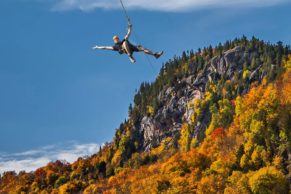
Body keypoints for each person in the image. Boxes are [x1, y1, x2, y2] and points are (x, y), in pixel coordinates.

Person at [92, 21, 163, 63]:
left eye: (116, 38)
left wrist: (130, 26)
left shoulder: (123, 39)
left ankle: (155, 55)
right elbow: (105, 47)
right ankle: (130, 55)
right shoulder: (115, 47)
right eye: (115, 39)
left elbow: (129, 33)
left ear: (118, 38)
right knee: (125, 42)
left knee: (143, 48)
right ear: (114, 41)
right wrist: (98, 47)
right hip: (127, 50)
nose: (116, 39)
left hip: (132, 47)